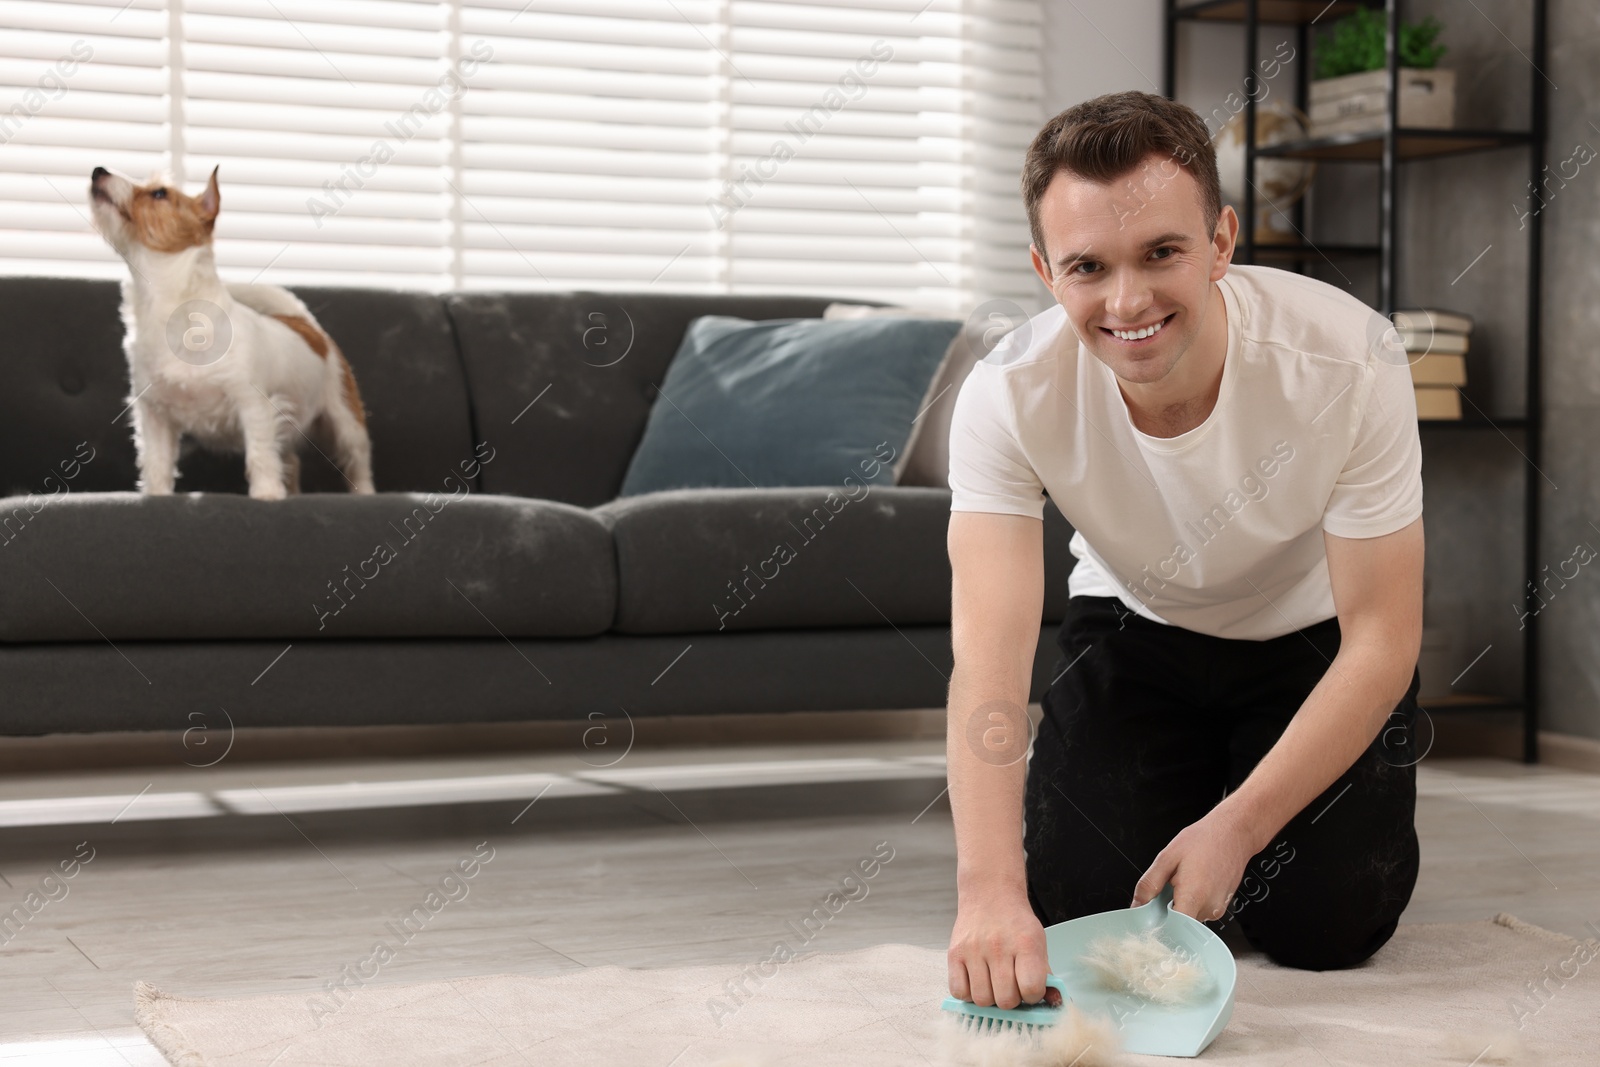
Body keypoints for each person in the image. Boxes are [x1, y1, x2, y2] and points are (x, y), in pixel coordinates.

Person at [943, 90, 1426, 1011]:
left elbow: (1383, 639)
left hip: (1314, 645)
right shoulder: (1006, 394)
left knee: (1327, 926)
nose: (1128, 301)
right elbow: (990, 670)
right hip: (1138, 629)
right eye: (1088, 266)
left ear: (1221, 241)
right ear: (1047, 271)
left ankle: (1239, 798)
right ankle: (1188, 791)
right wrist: (987, 892)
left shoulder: (1352, 358)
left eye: (1162, 252)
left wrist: (1240, 826)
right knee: (1078, 903)